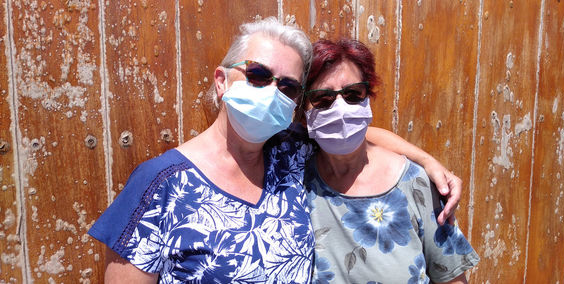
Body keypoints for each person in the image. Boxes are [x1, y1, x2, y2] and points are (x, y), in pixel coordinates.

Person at [88, 18, 462, 283]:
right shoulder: (160, 184)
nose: (270, 92)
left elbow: (358, 132)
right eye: (258, 75)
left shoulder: (289, 156)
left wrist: (426, 161)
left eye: (286, 86)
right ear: (222, 81)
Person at [301, 39, 479, 283]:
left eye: (353, 94)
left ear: (368, 98)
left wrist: (426, 161)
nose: (341, 110)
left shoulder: (416, 183)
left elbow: (451, 277)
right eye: (323, 99)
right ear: (303, 112)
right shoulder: (292, 175)